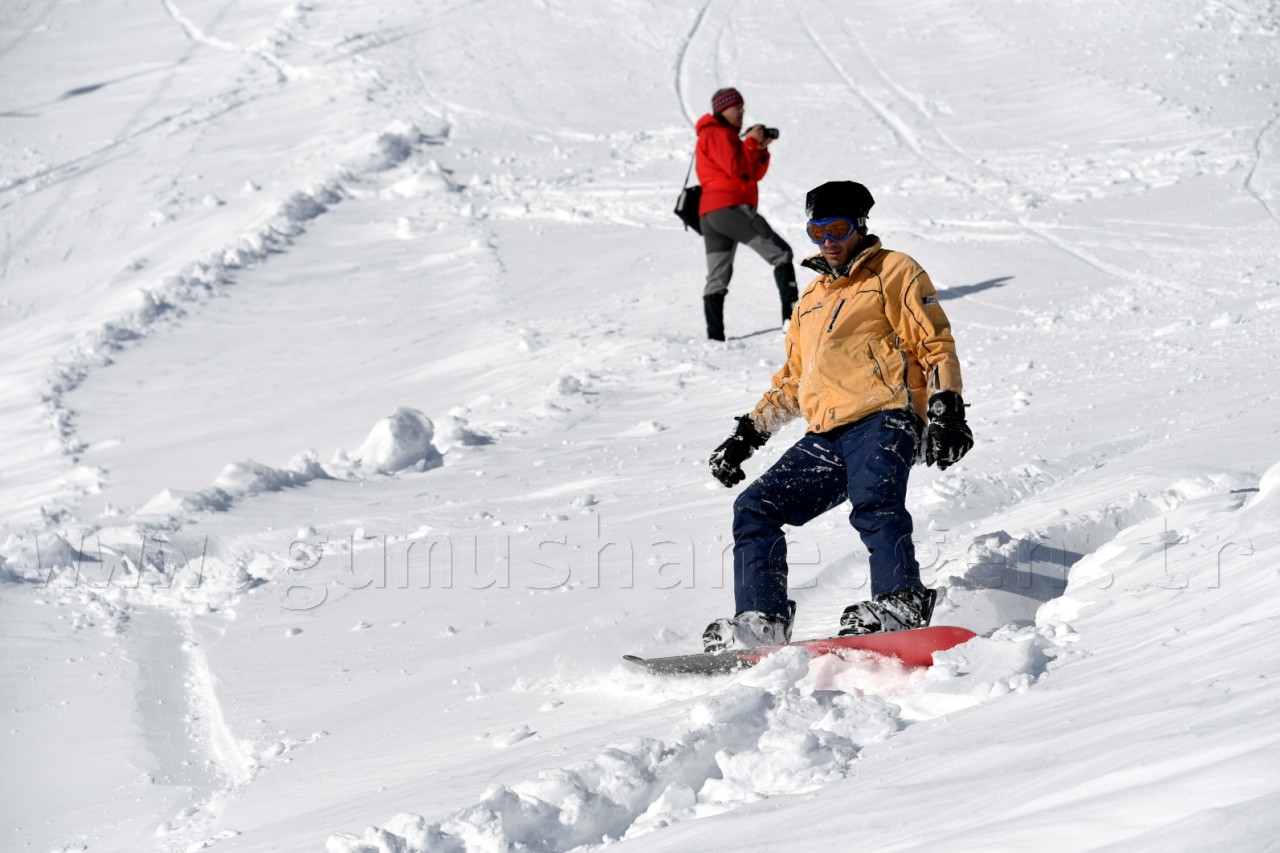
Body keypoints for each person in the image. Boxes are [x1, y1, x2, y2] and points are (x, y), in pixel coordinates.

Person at [702, 180, 974, 652]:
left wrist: (946, 407)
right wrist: (747, 435)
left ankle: (900, 601)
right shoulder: (810, 300)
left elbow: (934, 344)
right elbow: (792, 381)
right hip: (827, 433)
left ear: (860, 225)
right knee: (754, 507)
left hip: (885, 417)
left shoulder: (894, 271)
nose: (827, 241)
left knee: (875, 504)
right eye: (815, 230)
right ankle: (762, 620)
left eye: (838, 228)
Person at [695, 87, 798, 341]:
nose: (742, 112)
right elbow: (736, 167)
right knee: (781, 253)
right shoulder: (715, 133)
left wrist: (759, 149)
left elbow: (751, 174)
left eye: (742, 107)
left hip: (712, 213)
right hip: (729, 208)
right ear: (722, 108)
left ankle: (715, 338)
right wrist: (750, 142)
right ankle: (791, 319)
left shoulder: (723, 136)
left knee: (717, 276)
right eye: (736, 107)